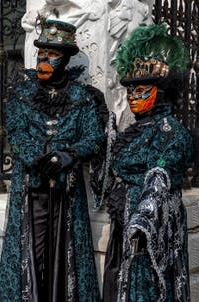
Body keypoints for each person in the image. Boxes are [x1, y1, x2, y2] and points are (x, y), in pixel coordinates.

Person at [0, 18, 105, 302]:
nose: (44, 59)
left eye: (53, 54)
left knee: (64, 255)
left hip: (66, 193)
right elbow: (17, 132)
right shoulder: (21, 94)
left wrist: (69, 155)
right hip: (30, 189)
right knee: (29, 251)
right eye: (42, 53)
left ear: (66, 59)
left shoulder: (82, 98)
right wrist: (37, 156)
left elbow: (94, 137)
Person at [102, 24, 194, 302]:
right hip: (126, 222)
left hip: (154, 225)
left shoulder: (171, 131)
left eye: (140, 91)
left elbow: (159, 176)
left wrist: (143, 221)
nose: (132, 97)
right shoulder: (135, 129)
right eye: (129, 91)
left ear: (161, 92)